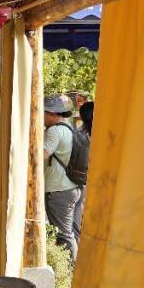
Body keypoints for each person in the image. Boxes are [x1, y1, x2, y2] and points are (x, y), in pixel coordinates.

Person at [43, 95, 80, 262]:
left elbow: (41, 155)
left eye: (42, 113)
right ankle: (73, 269)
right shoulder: (69, 129)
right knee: (71, 232)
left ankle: (70, 271)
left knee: (64, 235)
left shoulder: (54, 131)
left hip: (59, 189)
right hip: (72, 187)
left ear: (51, 113)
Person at [73, 100, 94, 240]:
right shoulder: (105, 133)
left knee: (78, 218)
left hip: (81, 180)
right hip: (99, 181)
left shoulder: (78, 134)